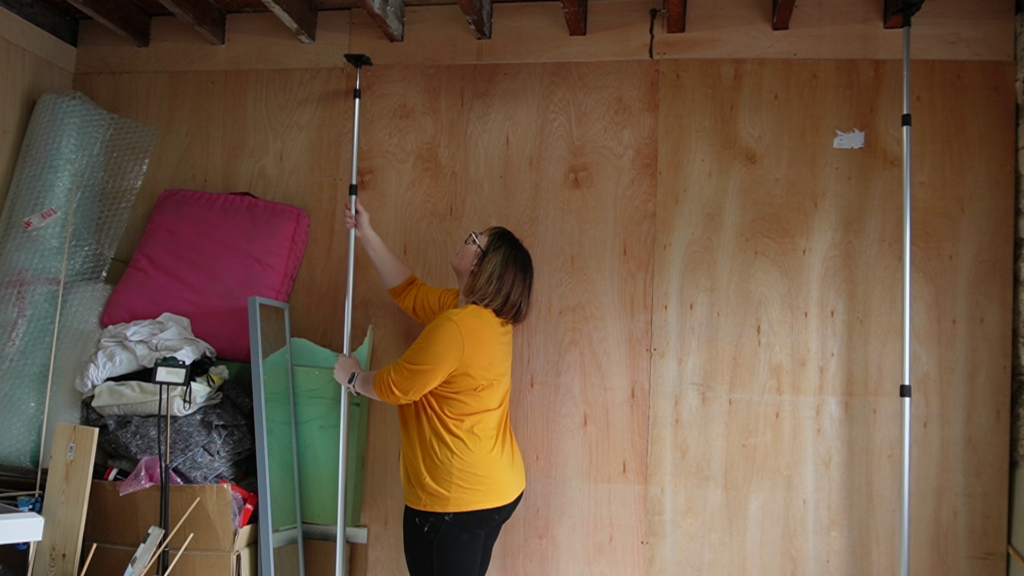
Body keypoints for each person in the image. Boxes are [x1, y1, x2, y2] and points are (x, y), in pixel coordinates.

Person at [333, 198, 534, 576]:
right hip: (497, 490)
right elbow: (410, 291)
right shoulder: (482, 317)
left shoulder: (455, 328)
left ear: (480, 265)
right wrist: (367, 233)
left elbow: (397, 386)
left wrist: (353, 378)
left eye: (475, 240)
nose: (467, 240)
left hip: (454, 502)